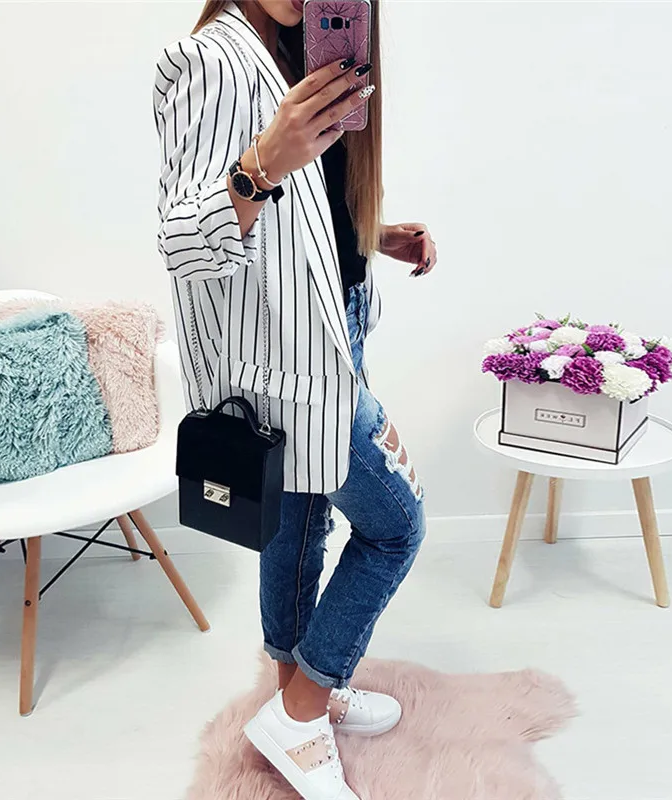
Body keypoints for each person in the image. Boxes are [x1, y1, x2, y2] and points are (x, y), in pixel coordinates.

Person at [153, 2, 437, 797]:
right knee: (397, 525)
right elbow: (182, 242)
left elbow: (299, 213)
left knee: (302, 521)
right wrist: (261, 164)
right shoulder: (205, 59)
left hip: (335, 326)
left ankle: (293, 694)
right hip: (287, 358)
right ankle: (304, 709)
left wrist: (371, 234)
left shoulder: (301, 47)